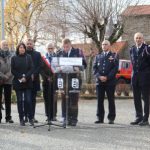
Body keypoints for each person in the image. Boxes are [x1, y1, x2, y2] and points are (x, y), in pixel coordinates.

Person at [57, 38, 87, 126]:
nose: (65, 48)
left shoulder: (78, 52)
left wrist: (79, 68)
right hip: (64, 79)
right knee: (64, 99)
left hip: (75, 78)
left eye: (67, 46)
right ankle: (65, 117)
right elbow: (55, 65)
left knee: (74, 99)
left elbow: (84, 64)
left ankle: (73, 119)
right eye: (64, 47)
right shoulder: (59, 53)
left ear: (70, 45)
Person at [93, 40, 119, 124]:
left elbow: (115, 68)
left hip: (110, 82)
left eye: (106, 44)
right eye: (103, 44)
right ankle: (100, 118)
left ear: (109, 45)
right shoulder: (98, 56)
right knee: (99, 100)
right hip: (99, 82)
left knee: (111, 100)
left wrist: (107, 77)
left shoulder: (114, 55)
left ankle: (111, 118)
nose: (104, 46)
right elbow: (94, 69)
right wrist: (99, 76)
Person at [11, 43, 34, 126]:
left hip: (27, 81)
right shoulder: (14, 58)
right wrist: (20, 77)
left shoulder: (29, 57)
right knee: (20, 101)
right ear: (18, 49)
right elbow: (13, 70)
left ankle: (30, 118)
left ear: (25, 49)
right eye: (20, 47)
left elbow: (31, 68)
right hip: (18, 82)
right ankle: (21, 119)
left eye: (23, 47)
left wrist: (25, 77)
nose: (22, 49)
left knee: (28, 100)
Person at [130, 32, 150, 126]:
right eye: (136, 38)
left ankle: (145, 119)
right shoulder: (132, 49)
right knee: (136, 98)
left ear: (142, 39)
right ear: (134, 39)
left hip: (145, 78)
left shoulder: (147, 48)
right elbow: (133, 63)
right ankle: (139, 117)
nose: (138, 39)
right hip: (135, 78)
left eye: (139, 38)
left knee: (145, 98)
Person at [25, 38, 41, 123]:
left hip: (34, 80)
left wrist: (33, 74)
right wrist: (28, 75)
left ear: (33, 44)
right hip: (26, 80)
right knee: (26, 99)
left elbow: (39, 66)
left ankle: (32, 116)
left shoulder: (37, 54)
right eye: (27, 43)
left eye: (30, 43)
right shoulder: (23, 53)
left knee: (33, 99)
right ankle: (26, 116)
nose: (29, 45)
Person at [40, 43, 57, 122]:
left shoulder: (57, 57)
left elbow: (58, 69)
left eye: (51, 48)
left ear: (53, 49)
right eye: (49, 48)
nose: (50, 50)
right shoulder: (43, 58)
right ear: (46, 49)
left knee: (54, 98)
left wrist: (53, 77)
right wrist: (47, 78)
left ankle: (53, 115)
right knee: (46, 98)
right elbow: (41, 70)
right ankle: (48, 115)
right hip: (46, 81)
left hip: (54, 81)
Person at [0, 40, 14, 123]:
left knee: (8, 100)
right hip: (0, 80)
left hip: (9, 80)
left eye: (6, 44)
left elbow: (13, 67)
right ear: (0, 46)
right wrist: (3, 76)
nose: (5, 46)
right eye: (3, 44)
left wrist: (8, 75)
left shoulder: (11, 55)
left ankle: (8, 117)